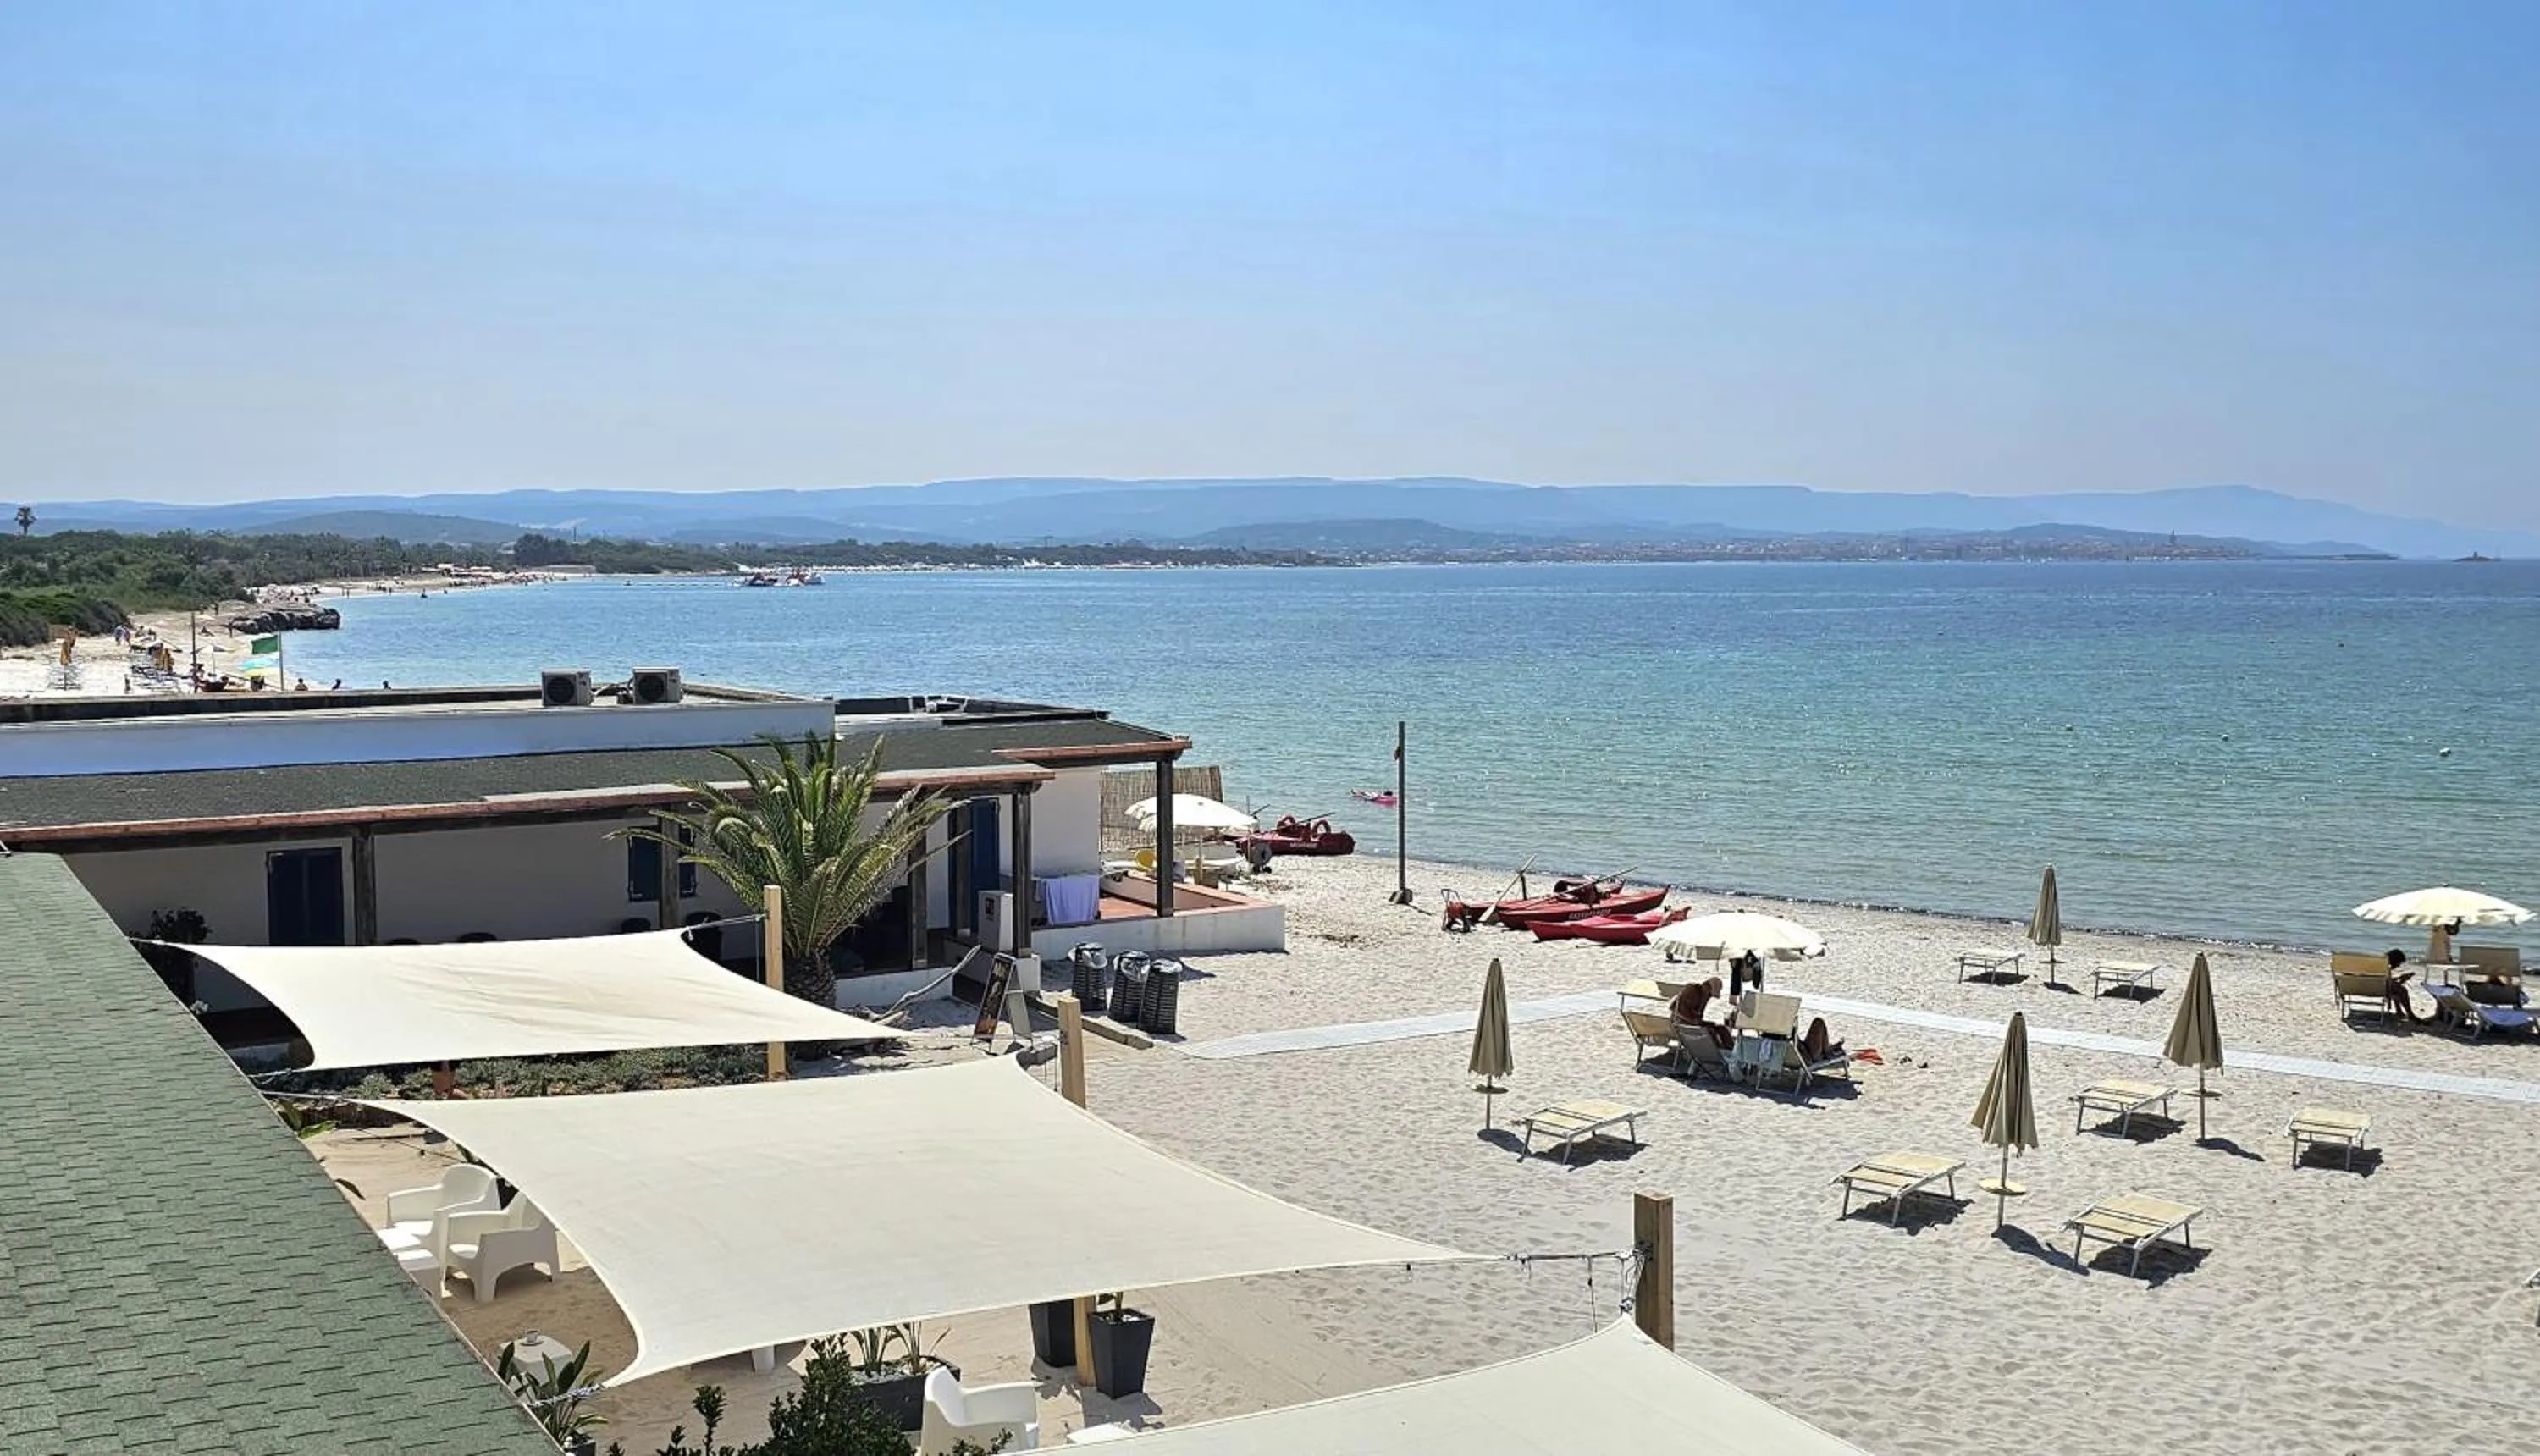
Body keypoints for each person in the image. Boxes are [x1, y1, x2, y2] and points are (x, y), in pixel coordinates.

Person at [1670, 976, 1734, 1049]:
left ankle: (1727, 1051)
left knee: (1722, 1029)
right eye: (1710, 994)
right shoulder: (1692, 989)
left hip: (1691, 1025)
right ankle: (1716, 1051)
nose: (1709, 997)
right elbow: (1676, 1009)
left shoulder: (1704, 996)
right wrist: (1694, 1021)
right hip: (1681, 1025)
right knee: (1710, 1032)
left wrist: (1703, 1022)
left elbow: (1698, 1018)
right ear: (1707, 987)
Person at [2383, 948, 2427, 1023]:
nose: (2399, 966)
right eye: (2398, 963)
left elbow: (2385, 981)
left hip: (2368, 987)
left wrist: (2400, 978)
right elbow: (2387, 983)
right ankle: (2411, 1015)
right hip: (2381, 989)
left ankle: (2399, 1011)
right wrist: (2402, 979)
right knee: (2402, 990)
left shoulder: (2380, 965)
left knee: (2396, 988)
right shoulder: (2386, 968)